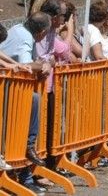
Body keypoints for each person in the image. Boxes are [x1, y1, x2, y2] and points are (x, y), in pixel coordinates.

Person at [0, 12, 51, 195]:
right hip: (8, 91)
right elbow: (25, 61)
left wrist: (13, 65)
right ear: (42, 31)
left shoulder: (18, 30)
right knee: (33, 100)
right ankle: (29, 147)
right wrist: (18, 65)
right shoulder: (26, 37)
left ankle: (25, 174)